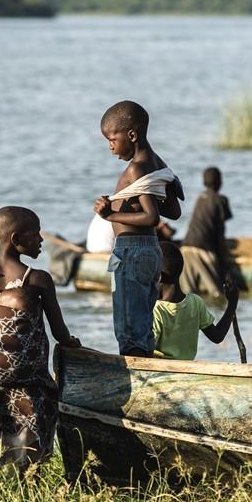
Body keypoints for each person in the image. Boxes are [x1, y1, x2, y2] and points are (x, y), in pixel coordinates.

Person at [0, 206, 81, 472]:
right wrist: (71, 344)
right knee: (34, 412)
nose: (42, 240)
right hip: (30, 378)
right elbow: (58, 331)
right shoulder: (39, 280)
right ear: (16, 239)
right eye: (36, 234)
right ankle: (29, 474)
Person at [93, 100, 183, 357]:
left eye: (112, 139)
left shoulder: (136, 168)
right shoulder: (157, 163)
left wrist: (111, 214)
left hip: (131, 252)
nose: (110, 147)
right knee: (142, 323)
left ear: (131, 135)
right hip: (150, 251)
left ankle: (137, 376)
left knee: (129, 328)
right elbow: (173, 211)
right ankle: (146, 367)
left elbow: (152, 217)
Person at [153, 242, 238, 361]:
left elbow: (145, 350)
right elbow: (217, 336)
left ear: (158, 276)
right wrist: (232, 303)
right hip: (186, 372)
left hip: (160, 374)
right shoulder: (195, 302)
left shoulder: (156, 310)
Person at [180, 166, 235, 296]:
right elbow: (219, 233)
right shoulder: (220, 200)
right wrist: (223, 258)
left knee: (188, 293)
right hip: (203, 250)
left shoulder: (200, 198)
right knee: (217, 293)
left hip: (186, 248)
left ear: (204, 183)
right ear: (220, 182)